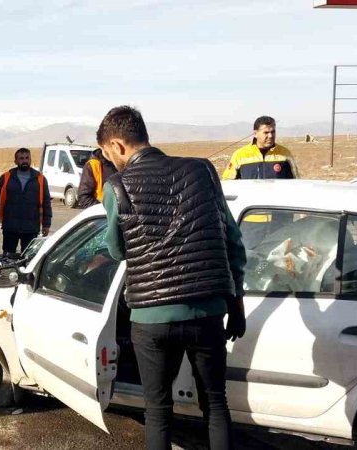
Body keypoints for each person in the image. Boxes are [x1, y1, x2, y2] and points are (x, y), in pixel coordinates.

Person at [97, 106, 247, 450]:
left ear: (118, 145)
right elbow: (233, 243)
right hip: (207, 310)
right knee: (215, 404)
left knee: (158, 410)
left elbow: (118, 250)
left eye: (108, 154)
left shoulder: (117, 186)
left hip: (151, 319)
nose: (110, 162)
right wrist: (236, 305)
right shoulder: (202, 170)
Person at [0, 147, 52, 255]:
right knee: (8, 258)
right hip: (10, 226)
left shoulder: (40, 179)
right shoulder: (6, 178)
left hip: (31, 227)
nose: (24, 161)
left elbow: (46, 203)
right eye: (21, 158)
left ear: (30, 160)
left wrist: (46, 225)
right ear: (16, 161)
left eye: (27, 158)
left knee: (28, 259)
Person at [222, 116, 299, 180]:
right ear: (255, 134)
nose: (270, 136)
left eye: (273, 132)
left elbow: (295, 182)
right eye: (266, 132)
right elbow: (227, 182)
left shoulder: (285, 154)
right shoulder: (239, 155)